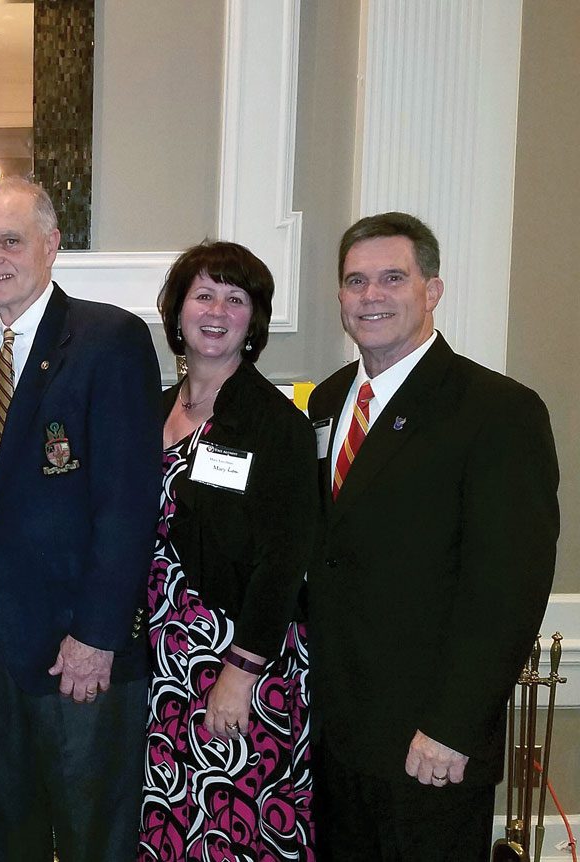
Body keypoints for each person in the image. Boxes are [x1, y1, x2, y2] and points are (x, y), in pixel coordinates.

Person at [307, 212, 559, 861]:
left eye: (393, 278)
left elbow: (508, 589)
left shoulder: (496, 411)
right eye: (356, 281)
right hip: (337, 739)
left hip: (430, 745)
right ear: (340, 296)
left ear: (432, 290)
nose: (371, 296)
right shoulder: (327, 403)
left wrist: (452, 727)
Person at [0, 176, 160, 860]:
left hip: (80, 652)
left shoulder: (109, 339)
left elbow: (129, 499)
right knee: (2, 831)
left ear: (50, 244)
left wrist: (97, 635)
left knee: (91, 836)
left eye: (9, 241)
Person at [138, 241, 318, 861]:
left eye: (235, 298)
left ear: (254, 320)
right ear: (179, 312)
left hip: (234, 659)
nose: (217, 310)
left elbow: (282, 560)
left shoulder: (275, 424)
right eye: (203, 294)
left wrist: (238, 675)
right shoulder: (155, 409)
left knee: (230, 829)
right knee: (171, 823)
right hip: (163, 664)